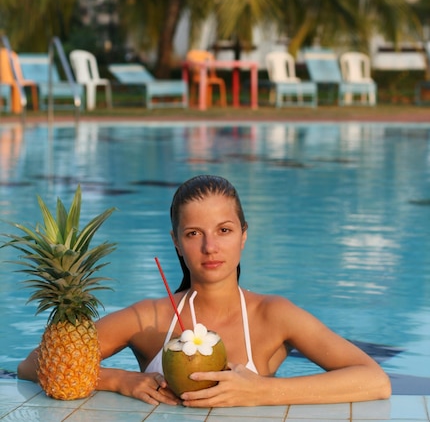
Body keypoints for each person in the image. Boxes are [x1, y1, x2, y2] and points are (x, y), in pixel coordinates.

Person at [18, 174, 391, 407]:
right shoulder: (150, 318)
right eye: (194, 234)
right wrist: (120, 380)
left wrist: (262, 392)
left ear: (244, 235)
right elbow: (33, 364)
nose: (210, 247)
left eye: (224, 230)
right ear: (177, 243)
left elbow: (374, 380)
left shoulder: (273, 316)